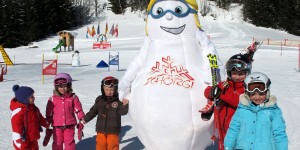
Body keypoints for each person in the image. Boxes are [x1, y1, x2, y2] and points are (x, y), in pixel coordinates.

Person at [200, 53, 252, 150]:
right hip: (222, 127)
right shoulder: (224, 85)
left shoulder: (249, 89)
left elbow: (239, 101)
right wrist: (212, 92)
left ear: (247, 73)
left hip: (239, 130)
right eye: (234, 73)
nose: (237, 76)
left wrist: (221, 94)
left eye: (241, 74)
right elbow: (207, 91)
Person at [224, 72, 288, 150]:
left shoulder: (273, 111)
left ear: (267, 92)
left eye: (261, 94)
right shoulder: (242, 109)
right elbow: (233, 130)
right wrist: (228, 147)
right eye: (253, 94)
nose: (257, 97)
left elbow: (279, 134)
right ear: (247, 93)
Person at [81, 76, 129, 150]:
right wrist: (85, 119)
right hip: (100, 129)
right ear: (102, 89)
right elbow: (93, 111)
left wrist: (125, 105)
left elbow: (123, 112)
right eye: (106, 90)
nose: (109, 92)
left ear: (115, 90)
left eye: (111, 90)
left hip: (113, 130)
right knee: (100, 145)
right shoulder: (100, 100)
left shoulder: (118, 101)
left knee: (113, 146)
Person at [45, 73, 85, 150]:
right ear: (56, 87)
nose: (62, 89)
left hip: (69, 126)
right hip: (57, 126)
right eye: (60, 87)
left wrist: (81, 117)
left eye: (64, 86)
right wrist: (47, 122)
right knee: (57, 143)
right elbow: (49, 113)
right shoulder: (52, 99)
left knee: (69, 143)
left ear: (69, 86)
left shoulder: (73, 98)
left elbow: (78, 109)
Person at [10, 84, 50, 150]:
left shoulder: (34, 108)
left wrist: (47, 124)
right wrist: (18, 140)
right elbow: (16, 127)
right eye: (31, 96)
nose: (34, 98)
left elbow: (40, 118)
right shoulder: (18, 112)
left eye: (33, 96)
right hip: (22, 140)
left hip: (33, 138)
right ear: (24, 99)